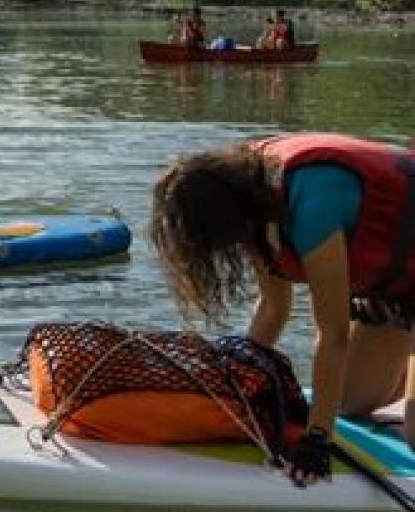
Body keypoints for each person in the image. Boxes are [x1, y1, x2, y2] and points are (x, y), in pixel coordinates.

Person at [150, 133, 415, 487]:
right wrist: (241, 389)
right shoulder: (253, 199)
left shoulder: (311, 208)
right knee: (349, 403)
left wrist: (318, 437)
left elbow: (333, 334)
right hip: (400, 284)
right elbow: (273, 309)